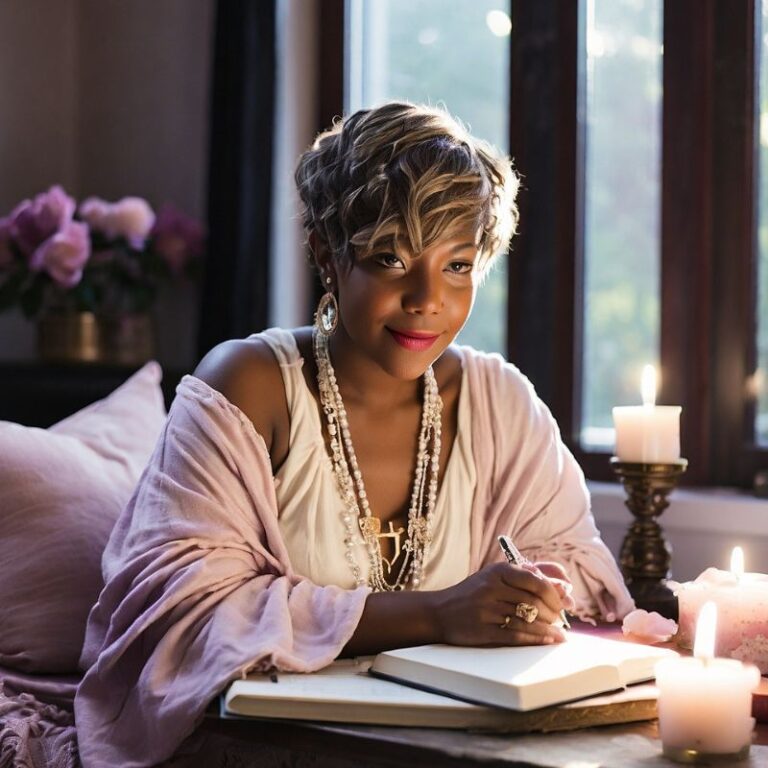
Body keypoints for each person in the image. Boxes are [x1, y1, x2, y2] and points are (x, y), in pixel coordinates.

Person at [74, 102, 633, 767]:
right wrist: (437, 613)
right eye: (391, 258)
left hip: (455, 745)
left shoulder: (499, 402)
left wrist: (537, 594)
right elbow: (185, 615)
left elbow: (588, 580)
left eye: (458, 266)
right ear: (327, 256)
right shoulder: (250, 384)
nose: (428, 299)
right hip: (271, 746)